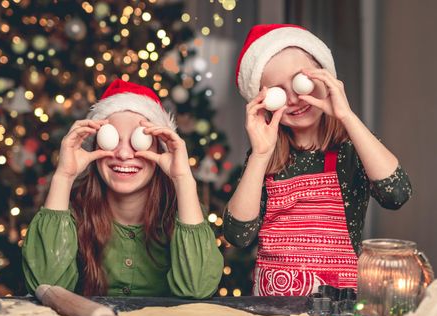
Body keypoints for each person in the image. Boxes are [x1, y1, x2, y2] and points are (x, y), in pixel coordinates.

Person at [223, 24, 412, 296]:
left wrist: (346, 116)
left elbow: (397, 193)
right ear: (263, 102)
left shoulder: (350, 150)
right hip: (273, 309)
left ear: (325, 77)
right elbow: (237, 235)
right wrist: (260, 155)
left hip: (337, 311)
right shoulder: (263, 158)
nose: (294, 99)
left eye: (301, 80)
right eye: (277, 91)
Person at [22, 79, 223, 298]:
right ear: (96, 145)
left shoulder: (185, 214)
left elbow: (199, 289)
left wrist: (183, 178)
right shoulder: (73, 215)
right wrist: (63, 176)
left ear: (160, 148)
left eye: (140, 139)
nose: (124, 154)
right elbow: (46, 288)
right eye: (112, 139)